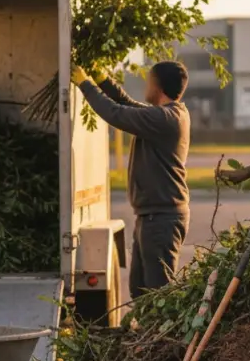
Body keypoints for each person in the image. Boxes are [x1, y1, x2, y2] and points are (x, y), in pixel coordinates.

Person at [70, 61, 189, 298]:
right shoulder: (166, 115)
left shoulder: (165, 118)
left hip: (161, 219)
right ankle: (145, 323)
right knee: (140, 290)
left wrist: (85, 85)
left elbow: (116, 113)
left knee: (157, 294)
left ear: (159, 86)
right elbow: (127, 104)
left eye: (149, 81)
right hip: (152, 216)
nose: (146, 85)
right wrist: (103, 81)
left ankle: (159, 324)